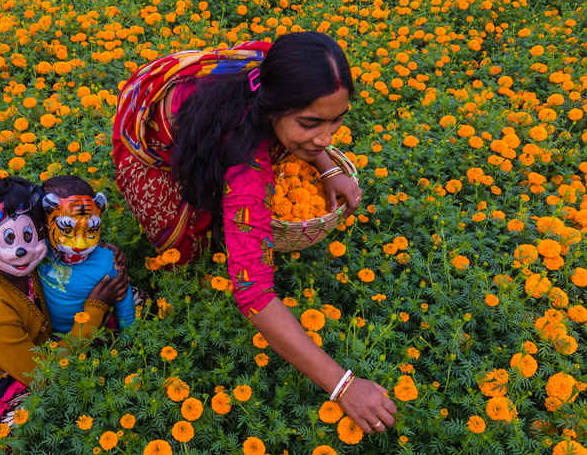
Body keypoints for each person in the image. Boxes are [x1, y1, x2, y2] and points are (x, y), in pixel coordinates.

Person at [112, 31, 397, 434]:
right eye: (311, 123)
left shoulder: (273, 66)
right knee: (181, 237)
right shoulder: (246, 161)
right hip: (152, 134)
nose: (327, 137)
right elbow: (255, 293)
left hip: (207, 109)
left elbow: (309, 125)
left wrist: (328, 166)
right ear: (272, 107)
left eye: (337, 120)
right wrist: (342, 385)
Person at [0, 175, 129, 448]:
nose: (21, 251)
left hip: (41, 341)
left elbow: (67, 235)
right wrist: (94, 310)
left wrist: (100, 254)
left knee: (124, 295)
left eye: (30, 235)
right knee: (31, 421)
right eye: (8, 239)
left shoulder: (21, 261)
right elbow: (42, 374)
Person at [38, 175, 136, 334]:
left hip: (93, 334)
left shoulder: (109, 261)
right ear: (45, 221)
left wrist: (130, 339)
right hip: (49, 335)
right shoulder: (39, 250)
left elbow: (125, 303)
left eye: (90, 229)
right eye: (67, 230)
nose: (80, 245)